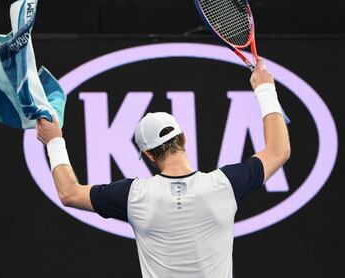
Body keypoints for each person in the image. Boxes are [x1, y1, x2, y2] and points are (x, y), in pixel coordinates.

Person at [36, 59, 290, 278]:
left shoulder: (134, 195)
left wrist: (54, 141)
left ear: (148, 155)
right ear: (185, 138)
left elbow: (69, 193)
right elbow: (279, 151)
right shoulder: (225, 185)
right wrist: (265, 89)